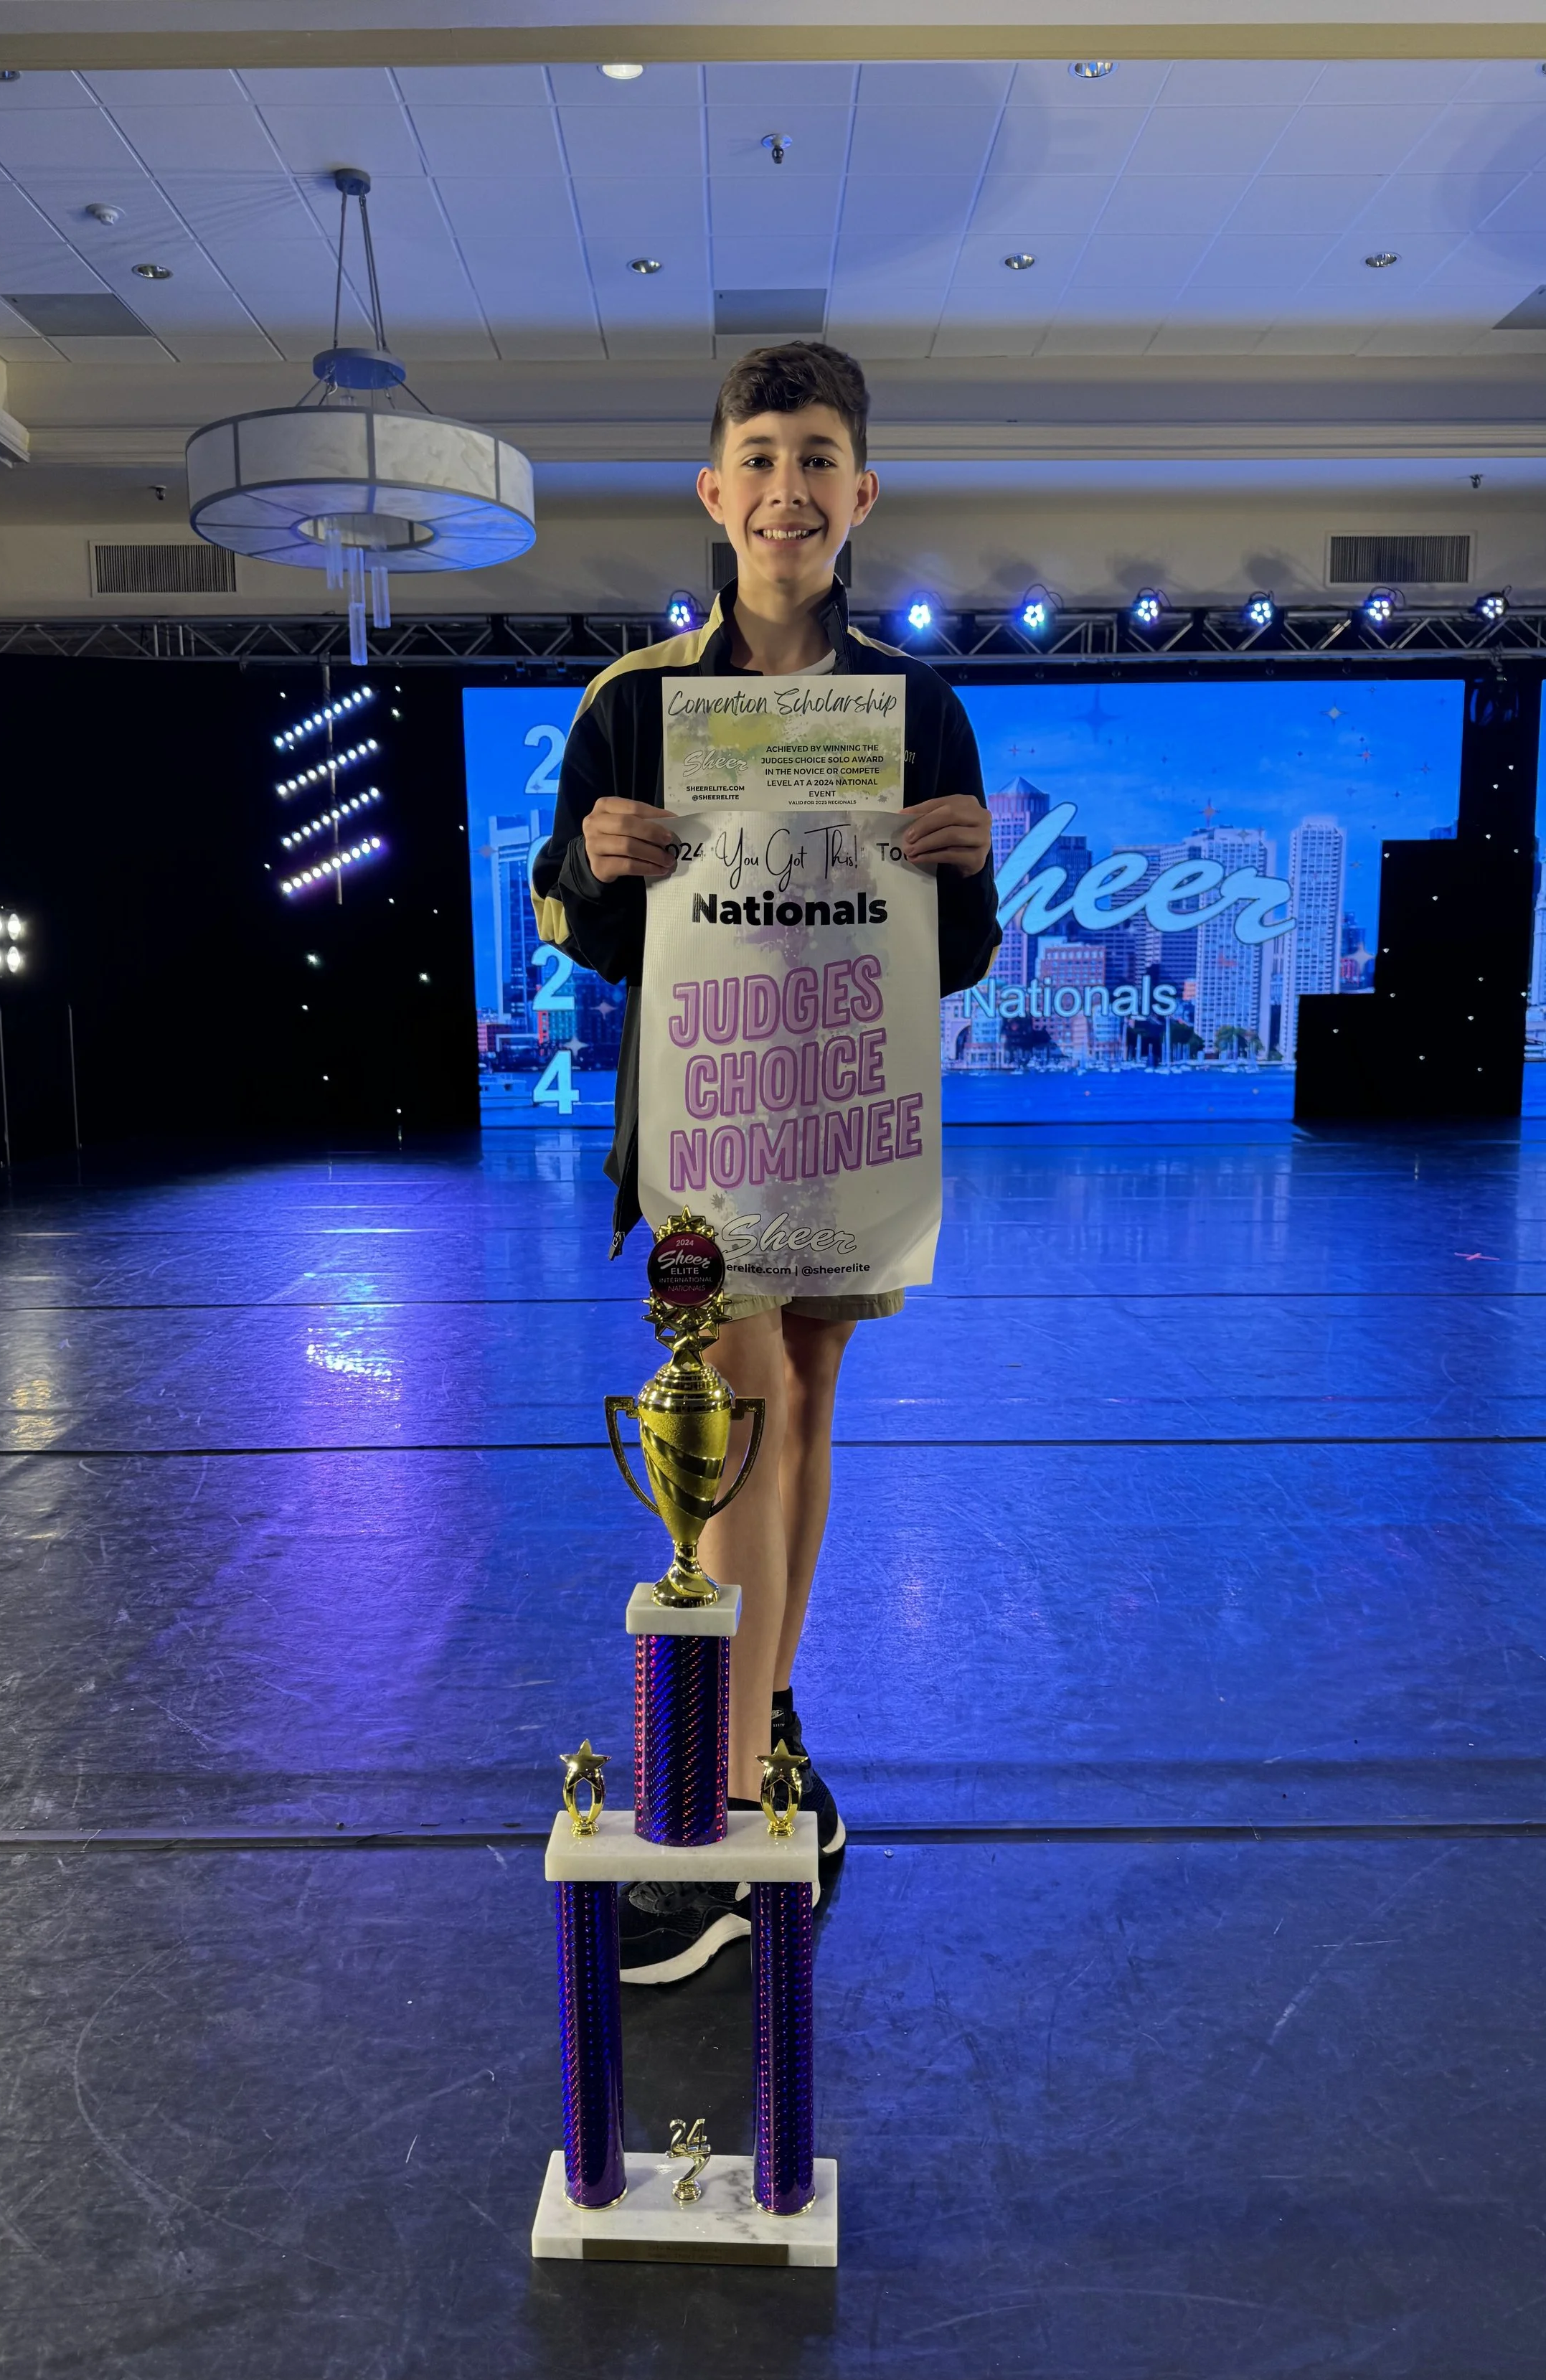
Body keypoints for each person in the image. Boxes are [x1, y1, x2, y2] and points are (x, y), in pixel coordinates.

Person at [532, 340, 999, 1982]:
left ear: (857, 494)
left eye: (818, 454)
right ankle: (731, 1794)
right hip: (705, 1119)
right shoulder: (634, 703)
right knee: (734, 1404)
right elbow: (576, 927)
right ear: (715, 490)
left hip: (847, 1112)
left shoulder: (916, 706)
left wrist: (958, 871)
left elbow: (956, 958)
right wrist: (595, 864)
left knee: (804, 1399)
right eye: (759, 452)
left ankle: (764, 1715)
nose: (787, 483)